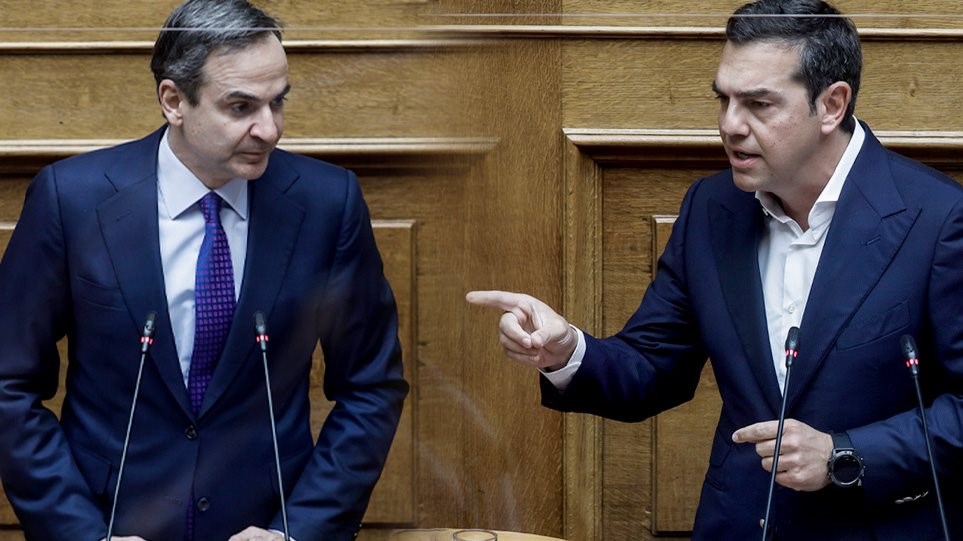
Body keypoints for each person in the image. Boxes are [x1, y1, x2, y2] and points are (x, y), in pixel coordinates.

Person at [468, 0, 963, 538]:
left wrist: (843, 454)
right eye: (723, 100)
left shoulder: (939, 220)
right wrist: (567, 351)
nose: (730, 125)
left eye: (758, 104)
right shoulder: (711, 208)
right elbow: (654, 367)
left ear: (831, 105)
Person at [0, 1, 408, 540]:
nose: (269, 129)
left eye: (278, 102)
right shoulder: (71, 200)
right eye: (241, 107)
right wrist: (80, 533)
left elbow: (371, 387)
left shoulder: (328, 204)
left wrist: (298, 530)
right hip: (111, 519)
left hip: (266, 523)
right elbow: (7, 384)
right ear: (174, 101)